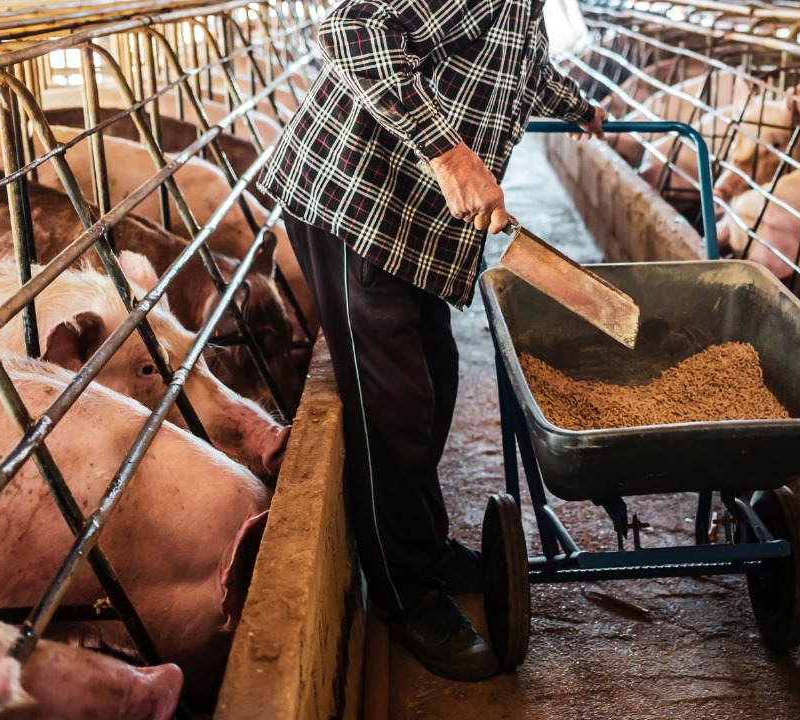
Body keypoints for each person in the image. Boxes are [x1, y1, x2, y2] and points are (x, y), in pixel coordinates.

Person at [259, 0, 606, 681]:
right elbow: (351, 29)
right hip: (361, 204)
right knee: (392, 410)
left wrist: (578, 107)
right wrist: (448, 152)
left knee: (437, 380)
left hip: (416, 227)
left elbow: (519, 64)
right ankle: (409, 595)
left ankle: (423, 547)